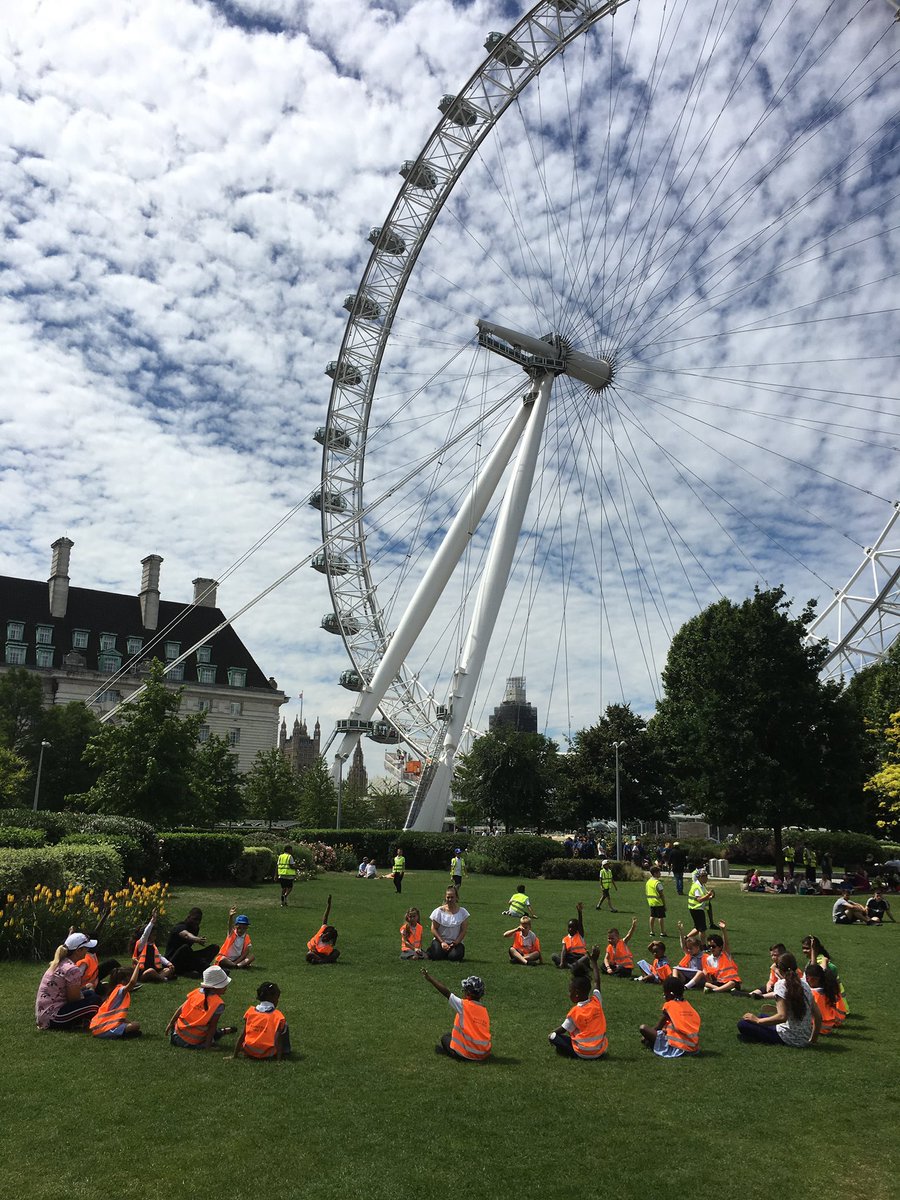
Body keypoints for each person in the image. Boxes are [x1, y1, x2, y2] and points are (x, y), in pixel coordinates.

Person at [737, 952, 821, 1046]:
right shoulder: (805, 985)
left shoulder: (781, 985)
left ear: (780, 970)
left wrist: (757, 1020)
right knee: (762, 1015)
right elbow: (818, 1016)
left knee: (743, 1024)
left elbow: (782, 1017)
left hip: (787, 1037)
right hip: (804, 1037)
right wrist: (813, 1039)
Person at [548, 945, 607, 1059]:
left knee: (554, 1036)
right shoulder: (596, 1001)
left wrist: (550, 1034)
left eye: (570, 991)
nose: (568, 994)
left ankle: (580, 1050)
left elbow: (561, 1030)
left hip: (583, 1053)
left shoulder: (574, 1012)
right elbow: (597, 982)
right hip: (600, 1051)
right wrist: (594, 961)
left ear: (576, 994)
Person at [421, 969, 491, 1061]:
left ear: (468, 993)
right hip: (484, 1054)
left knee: (445, 1038)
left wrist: (430, 978)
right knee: (453, 1035)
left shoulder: (463, 1005)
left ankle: (452, 1053)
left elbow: (447, 993)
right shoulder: (484, 1010)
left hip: (469, 1054)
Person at [35, 936, 101, 1030]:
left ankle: (82, 1022)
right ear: (78, 950)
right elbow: (73, 999)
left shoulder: (62, 962)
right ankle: (89, 1022)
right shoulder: (72, 969)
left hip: (45, 1014)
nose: (87, 951)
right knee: (95, 1001)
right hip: (54, 1017)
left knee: (90, 994)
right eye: (86, 948)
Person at [166, 965, 236, 1049]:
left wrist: (171, 1023)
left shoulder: (196, 992)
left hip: (175, 1035)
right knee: (212, 1034)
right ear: (216, 987)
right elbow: (212, 1027)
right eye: (224, 985)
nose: (226, 988)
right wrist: (208, 1046)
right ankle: (222, 1032)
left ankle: (224, 1031)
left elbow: (181, 1008)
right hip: (191, 1042)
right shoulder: (218, 1004)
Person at [639, 973, 701, 1057]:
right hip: (693, 1047)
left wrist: (646, 1036)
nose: (664, 996)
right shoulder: (688, 1005)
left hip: (679, 1047)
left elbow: (658, 1027)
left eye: (665, 994)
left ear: (671, 994)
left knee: (643, 1028)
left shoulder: (669, 1006)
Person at [232, 981, 292, 1060]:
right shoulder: (278, 1016)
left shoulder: (250, 1012)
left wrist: (234, 1055)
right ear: (274, 998)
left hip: (249, 1050)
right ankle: (286, 1051)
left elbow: (243, 1034)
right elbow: (278, 1040)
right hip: (267, 1053)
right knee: (284, 1025)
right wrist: (279, 1060)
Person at [89, 960, 143, 1039]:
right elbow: (132, 982)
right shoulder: (120, 990)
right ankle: (121, 1034)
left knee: (131, 1023)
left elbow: (116, 1016)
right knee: (136, 1025)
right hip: (105, 1029)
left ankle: (123, 1033)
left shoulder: (114, 991)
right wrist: (138, 966)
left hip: (98, 1028)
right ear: (123, 981)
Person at [164, 907, 220, 978]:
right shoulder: (180, 927)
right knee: (185, 948)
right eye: (195, 919)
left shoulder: (195, 928)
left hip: (186, 958)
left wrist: (197, 939)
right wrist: (197, 939)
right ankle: (206, 970)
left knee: (214, 948)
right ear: (188, 917)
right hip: (172, 961)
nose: (197, 922)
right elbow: (186, 935)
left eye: (199, 920)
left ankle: (198, 969)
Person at [427, 886, 469, 962]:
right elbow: (433, 928)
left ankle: (449, 952)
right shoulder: (438, 911)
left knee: (455, 957)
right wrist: (442, 942)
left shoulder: (463, 912)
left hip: (455, 942)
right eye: (448, 897)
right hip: (440, 941)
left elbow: (463, 930)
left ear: (456, 898)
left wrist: (456, 942)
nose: (450, 900)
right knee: (437, 956)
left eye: (452, 897)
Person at [132, 910, 175, 982]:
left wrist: (169, 963)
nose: (155, 937)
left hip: (154, 971)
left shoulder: (153, 946)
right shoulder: (141, 945)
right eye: (153, 935)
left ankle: (158, 977)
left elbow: (159, 957)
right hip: (143, 972)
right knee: (150, 971)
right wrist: (152, 921)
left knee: (168, 969)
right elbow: (145, 934)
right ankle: (162, 978)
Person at [804, 963, 846, 1035]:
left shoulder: (814, 994)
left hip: (817, 1028)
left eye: (807, 978)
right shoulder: (829, 988)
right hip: (832, 1023)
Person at [702, 921, 742, 993]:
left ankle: (715, 990)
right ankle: (724, 989)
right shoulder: (709, 959)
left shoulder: (725, 954)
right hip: (720, 982)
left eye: (713, 946)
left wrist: (723, 930)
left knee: (732, 983)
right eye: (709, 946)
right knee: (706, 984)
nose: (711, 948)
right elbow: (711, 975)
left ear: (720, 947)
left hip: (733, 981)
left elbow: (726, 943)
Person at [551, 902, 589, 971]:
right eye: (569, 927)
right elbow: (563, 951)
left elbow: (580, 924)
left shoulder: (580, 935)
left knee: (587, 957)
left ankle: (571, 966)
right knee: (554, 956)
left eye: (573, 927)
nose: (570, 929)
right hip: (570, 957)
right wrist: (562, 962)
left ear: (577, 928)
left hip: (580, 957)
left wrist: (579, 913)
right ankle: (570, 966)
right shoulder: (565, 939)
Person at [306, 894, 340, 963]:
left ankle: (320, 961)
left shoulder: (328, 943)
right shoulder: (321, 933)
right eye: (325, 933)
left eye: (327, 936)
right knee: (308, 955)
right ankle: (322, 961)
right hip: (315, 954)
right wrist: (328, 905)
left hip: (323, 955)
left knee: (337, 952)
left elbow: (332, 948)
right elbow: (325, 917)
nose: (324, 935)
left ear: (329, 939)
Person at [673, 924, 705, 989]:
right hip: (688, 975)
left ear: (697, 948)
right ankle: (675, 984)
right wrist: (681, 932)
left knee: (700, 972)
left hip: (698, 977)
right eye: (688, 948)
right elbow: (683, 945)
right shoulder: (689, 954)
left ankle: (686, 987)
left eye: (690, 948)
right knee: (675, 969)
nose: (688, 950)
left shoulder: (704, 956)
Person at [646, 865, 667, 936]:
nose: (660, 874)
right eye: (659, 872)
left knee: (652, 916)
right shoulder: (658, 883)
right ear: (655, 873)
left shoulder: (648, 882)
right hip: (658, 902)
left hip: (651, 902)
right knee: (660, 917)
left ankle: (652, 932)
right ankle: (662, 932)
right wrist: (664, 904)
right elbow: (661, 894)